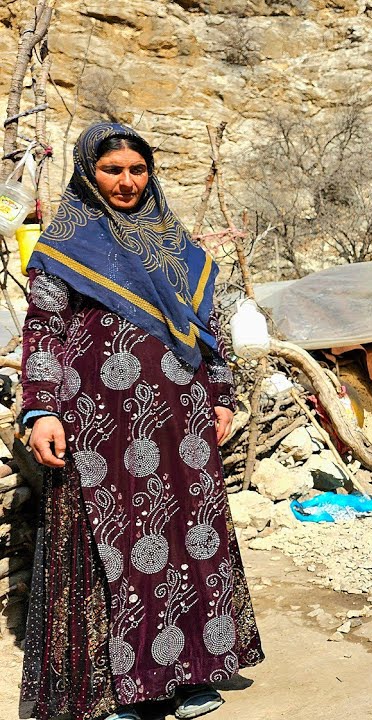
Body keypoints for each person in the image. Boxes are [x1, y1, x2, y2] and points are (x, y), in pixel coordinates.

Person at [19, 123, 264, 720]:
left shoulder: (175, 245)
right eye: (112, 170)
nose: (126, 182)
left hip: (180, 422)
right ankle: (111, 688)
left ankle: (191, 676)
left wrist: (221, 395)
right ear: (86, 172)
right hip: (99, 425)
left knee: (186, 537)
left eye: (137, 169)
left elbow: (209, 334)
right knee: (109, 543)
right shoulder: (66, 243)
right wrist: (42, 407)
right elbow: (43, 330)